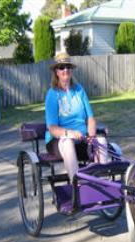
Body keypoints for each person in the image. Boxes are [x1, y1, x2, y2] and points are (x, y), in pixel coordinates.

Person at [45, 52, 108, 181]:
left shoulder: (79, 90)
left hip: (82, 140)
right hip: (59, 141)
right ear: (56, 71)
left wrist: (91, 136)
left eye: (68, 67)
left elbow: (90, 118)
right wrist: (70, 133)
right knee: (67, 142)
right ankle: (76, 188)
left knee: (101, 141)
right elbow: (52, 128)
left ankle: (101, 186)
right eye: (61, 67)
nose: (65, 70)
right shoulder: (52, 94)